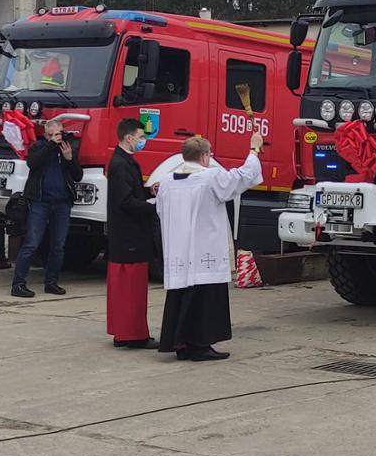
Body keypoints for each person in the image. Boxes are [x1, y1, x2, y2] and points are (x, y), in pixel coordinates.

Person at [155, 131, 263, 361]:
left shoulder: (166, 181)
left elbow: (160, 210)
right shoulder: (210, 177)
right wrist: (254, 149)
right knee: (204, 299)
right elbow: (244, 176)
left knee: (180, 297)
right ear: (204, 156)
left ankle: (181, 343)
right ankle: (200, 345)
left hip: (179, 252)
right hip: (204, 250)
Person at [103, 118, 157, 349]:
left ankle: (129, 332)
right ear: (129, 137)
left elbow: (130, 192)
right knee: (130, 291)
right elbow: (125, 201)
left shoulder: (124, 162)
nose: (143, 140)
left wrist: (147, 190)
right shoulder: (120, 164)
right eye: (141, 136)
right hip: (128, 236)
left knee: (130, 290)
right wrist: (154, 207)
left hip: (128, 235)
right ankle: (131, 335)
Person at [11, 120, 79, 298]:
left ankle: (51, 282)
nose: (59, 136)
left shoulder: (65, 148)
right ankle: (18, 284)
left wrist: (70, 159)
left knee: (58, 245)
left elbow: (77, 176)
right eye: (55, 133)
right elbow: (33, 163)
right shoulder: (39, 147)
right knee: (32, 243)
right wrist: (50, 145)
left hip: (62, 203)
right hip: (40, 201)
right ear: (47, 134)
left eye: (61, 133)